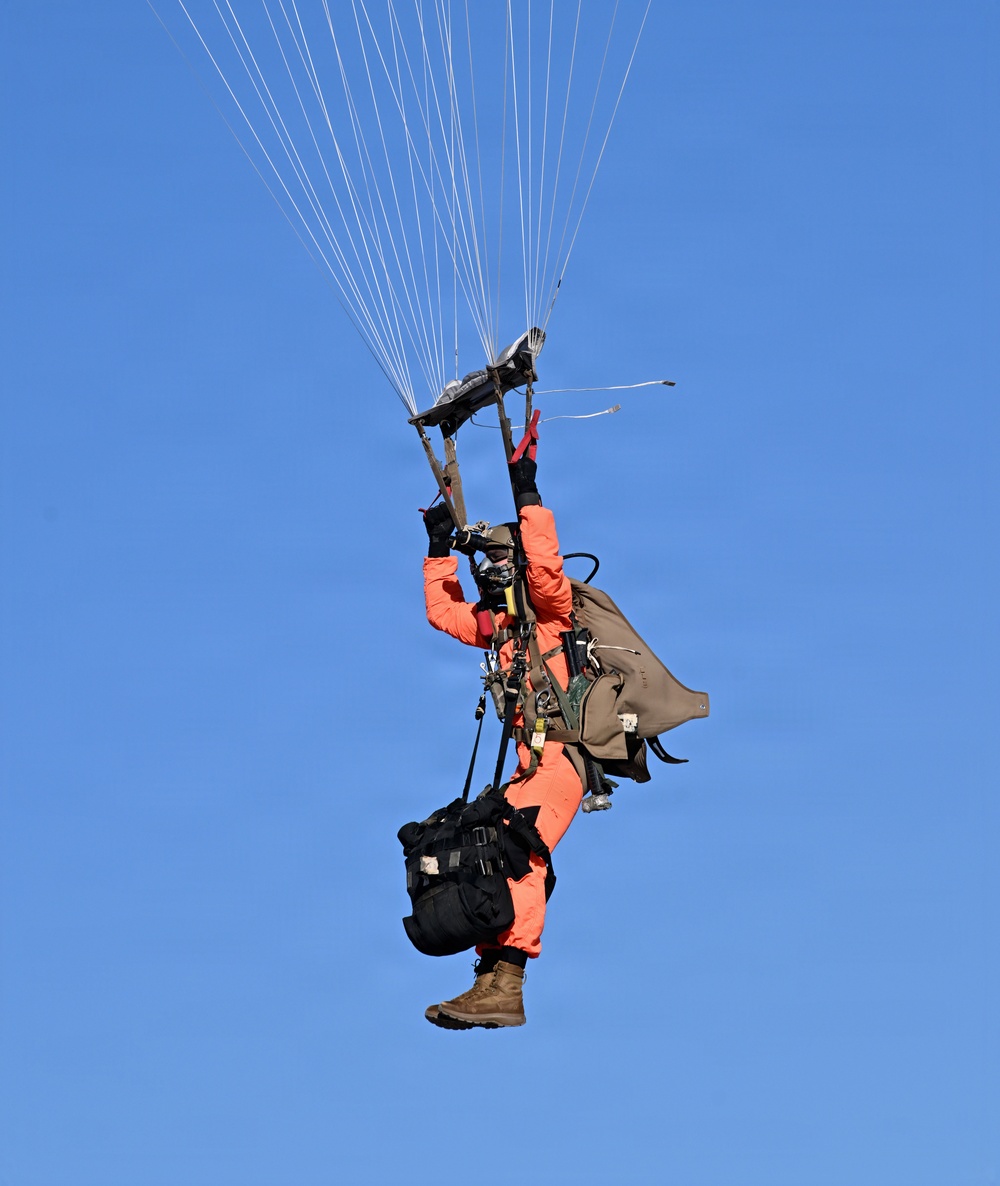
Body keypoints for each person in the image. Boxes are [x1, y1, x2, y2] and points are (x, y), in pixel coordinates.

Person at [420, 455, 584, 1029]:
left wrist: (528, 497)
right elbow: (444, 614)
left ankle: (507, 983)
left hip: (562, 761)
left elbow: (544, 572)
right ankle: (492, 978)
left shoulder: (550, 618)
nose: (489, 570)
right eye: (484, 561)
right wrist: (440, 550)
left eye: (496, 559)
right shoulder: (503, 632)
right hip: (531, 765)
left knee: (518, 847)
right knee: (486, 844)